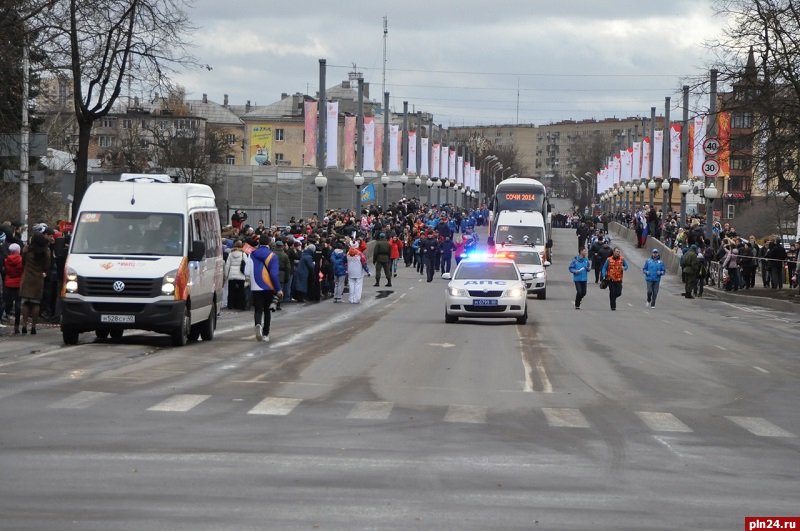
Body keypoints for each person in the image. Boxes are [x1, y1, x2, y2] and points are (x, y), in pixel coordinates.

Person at [245, 234, 282, 343]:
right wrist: (278, 288)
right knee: (267, 310)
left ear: (259, 242)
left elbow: (247, 271)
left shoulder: (252, 254)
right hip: (268, 286)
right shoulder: (272, 256)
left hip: (255, 286)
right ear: (269, 243)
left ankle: (258, 324)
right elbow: (274, 274)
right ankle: (266, 334)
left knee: (258, 309)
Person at [19, 231, 51, 334]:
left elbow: (23, 262)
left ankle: (24, 325)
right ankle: (33, 327)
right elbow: (47, 265)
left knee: (25, 303)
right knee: (36, 303)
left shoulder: (27, 250)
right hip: (38, 279)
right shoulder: (46, 251)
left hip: (27, 278)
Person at [600, 247, 628, 311]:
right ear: (613, 252)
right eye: (617, 251)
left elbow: (626, 266)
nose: (618, 253)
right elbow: (604, 268)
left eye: (619, 252)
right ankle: (613, 307)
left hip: (619, 279)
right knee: (612, 292)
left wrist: (624, 268)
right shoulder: (609, 259)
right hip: (611, 279)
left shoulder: (622, 259)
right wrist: (604, 275)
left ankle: (613, 298)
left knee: (618, 293)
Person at [223, 240, 248, 310]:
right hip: (241, 276)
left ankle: (230, 305)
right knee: (241, 292)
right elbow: (246, 263)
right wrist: (246, 274)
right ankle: (241, 306)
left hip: (232, 275)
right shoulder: (243, 254)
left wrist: (226, 275)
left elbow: (227, 265)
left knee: (231, 291)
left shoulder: (231, 254)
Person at [3, 243, 23, 333]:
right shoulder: (21, 260)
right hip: (18, 284)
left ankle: (5, 317)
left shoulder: (6, 260)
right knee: (18, 305)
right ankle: (16, 326)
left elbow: (4, 271)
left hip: (8, 283)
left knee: (7, 302)